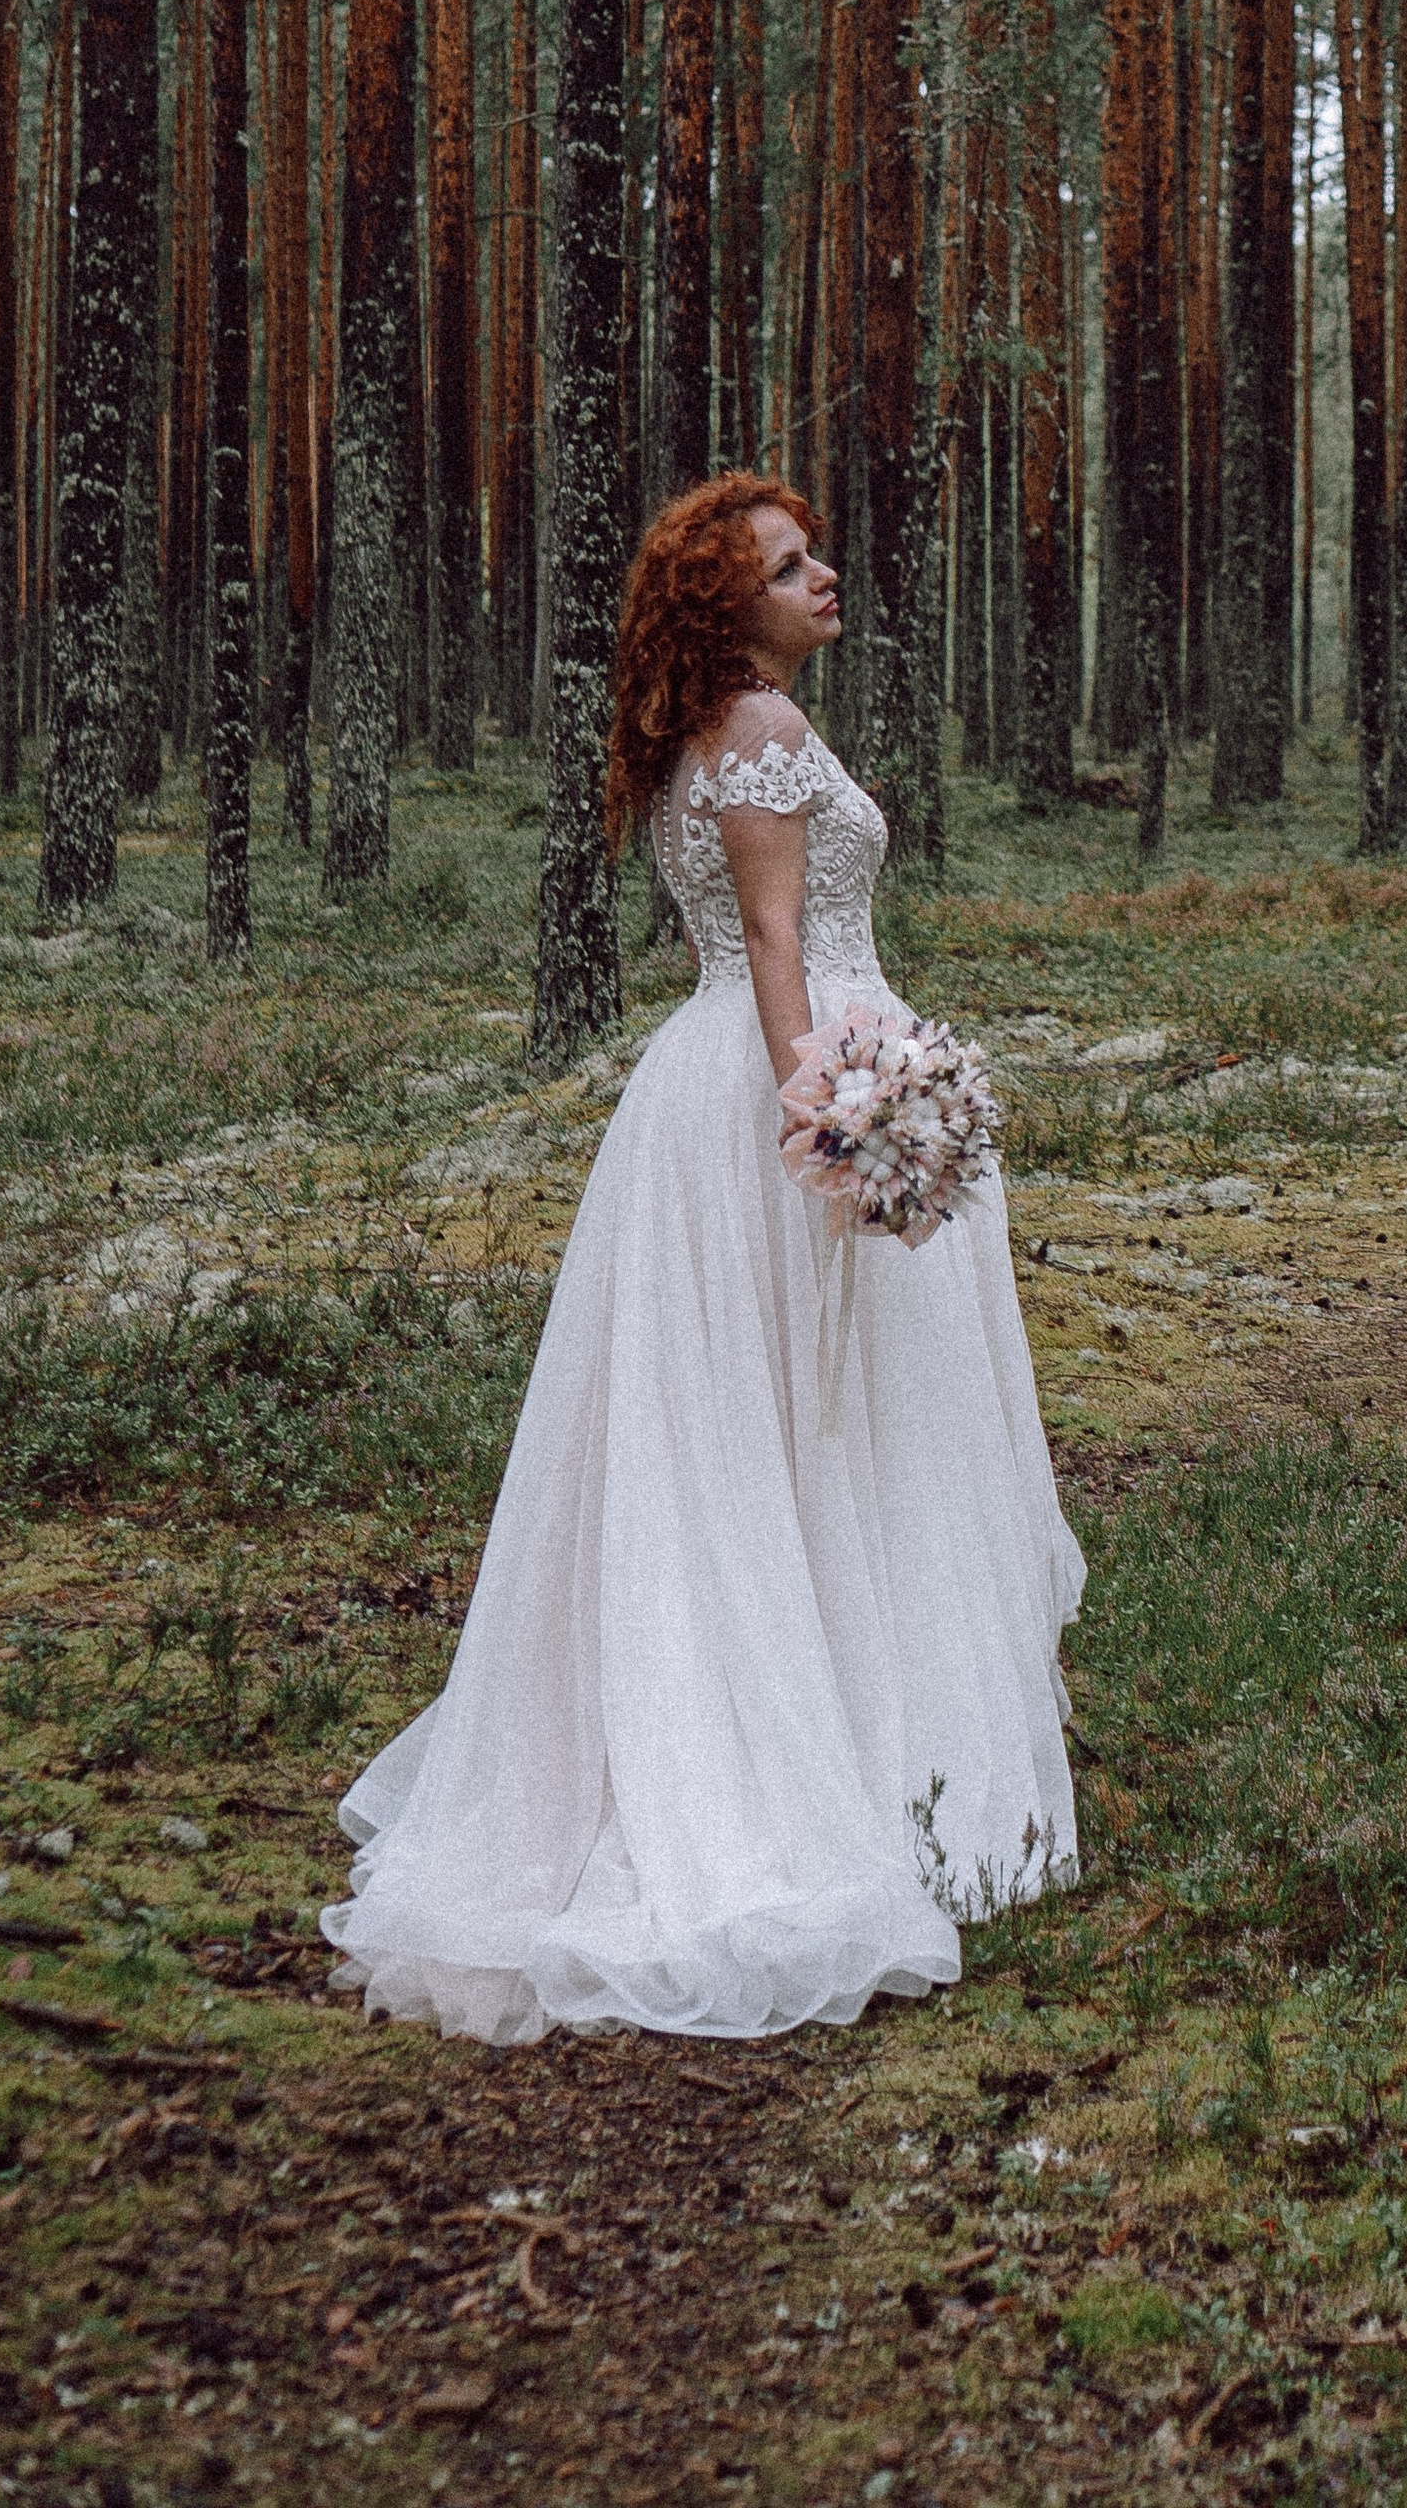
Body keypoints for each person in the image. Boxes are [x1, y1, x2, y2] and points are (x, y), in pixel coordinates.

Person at [322, 473, 1083, 2043]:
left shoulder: (716, 735)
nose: (826, 576)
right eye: (792, 566)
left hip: (735, 1078)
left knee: (791, 1436)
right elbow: (780, 942)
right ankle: (840, 1768)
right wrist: (839, 1122)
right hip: (776, 1081)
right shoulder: (763, 739)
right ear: (727, 608)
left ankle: (854, 1733)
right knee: (804, 1428)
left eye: (816, 552)